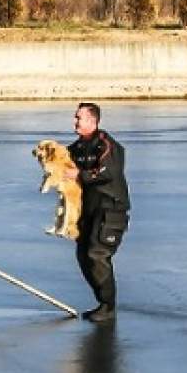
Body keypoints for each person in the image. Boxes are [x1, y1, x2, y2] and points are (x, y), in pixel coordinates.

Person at [67, 102, 130, 323]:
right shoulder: (75, 149)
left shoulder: (107, 145)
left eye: (79, 118)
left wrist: (78, 175)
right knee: (83, 256)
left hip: (111, 209)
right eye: (75, 117)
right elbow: (63, 167)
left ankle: (108, 306)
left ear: (93, 121)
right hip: (89, 211)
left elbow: (108, 172)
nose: (74, 122)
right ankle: (101, 301)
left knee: (97, 254)